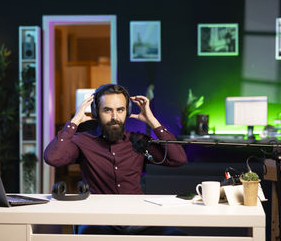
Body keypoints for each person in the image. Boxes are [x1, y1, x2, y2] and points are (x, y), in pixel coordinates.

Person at [44, 84, 187, 235]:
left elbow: (178, 159)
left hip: (138, 219)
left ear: (127, 111)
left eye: (120, 110)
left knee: (177, 236)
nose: (114, 117)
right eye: (107, 110)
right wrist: (75, 122)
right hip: (98, 221)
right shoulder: (82, 141)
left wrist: (152, 121)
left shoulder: (138, 140)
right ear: (96, 112)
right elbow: (52, 157)